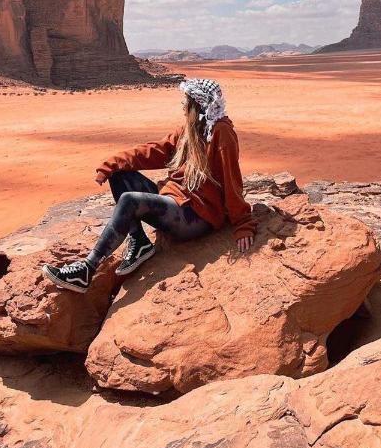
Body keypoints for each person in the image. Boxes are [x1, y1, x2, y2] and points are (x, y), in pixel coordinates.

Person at [42, 77, 257, 293]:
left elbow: (232, 179)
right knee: (119, 175)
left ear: (197, 105)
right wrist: (111, 164)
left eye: (186, 101)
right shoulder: (188, 130)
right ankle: (139, 242)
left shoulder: (221, 132)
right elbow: (156, 151)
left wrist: (243, 223)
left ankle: (87, 269)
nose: (182, 105)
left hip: (195, 215)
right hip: (176, 202)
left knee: (130, 200)